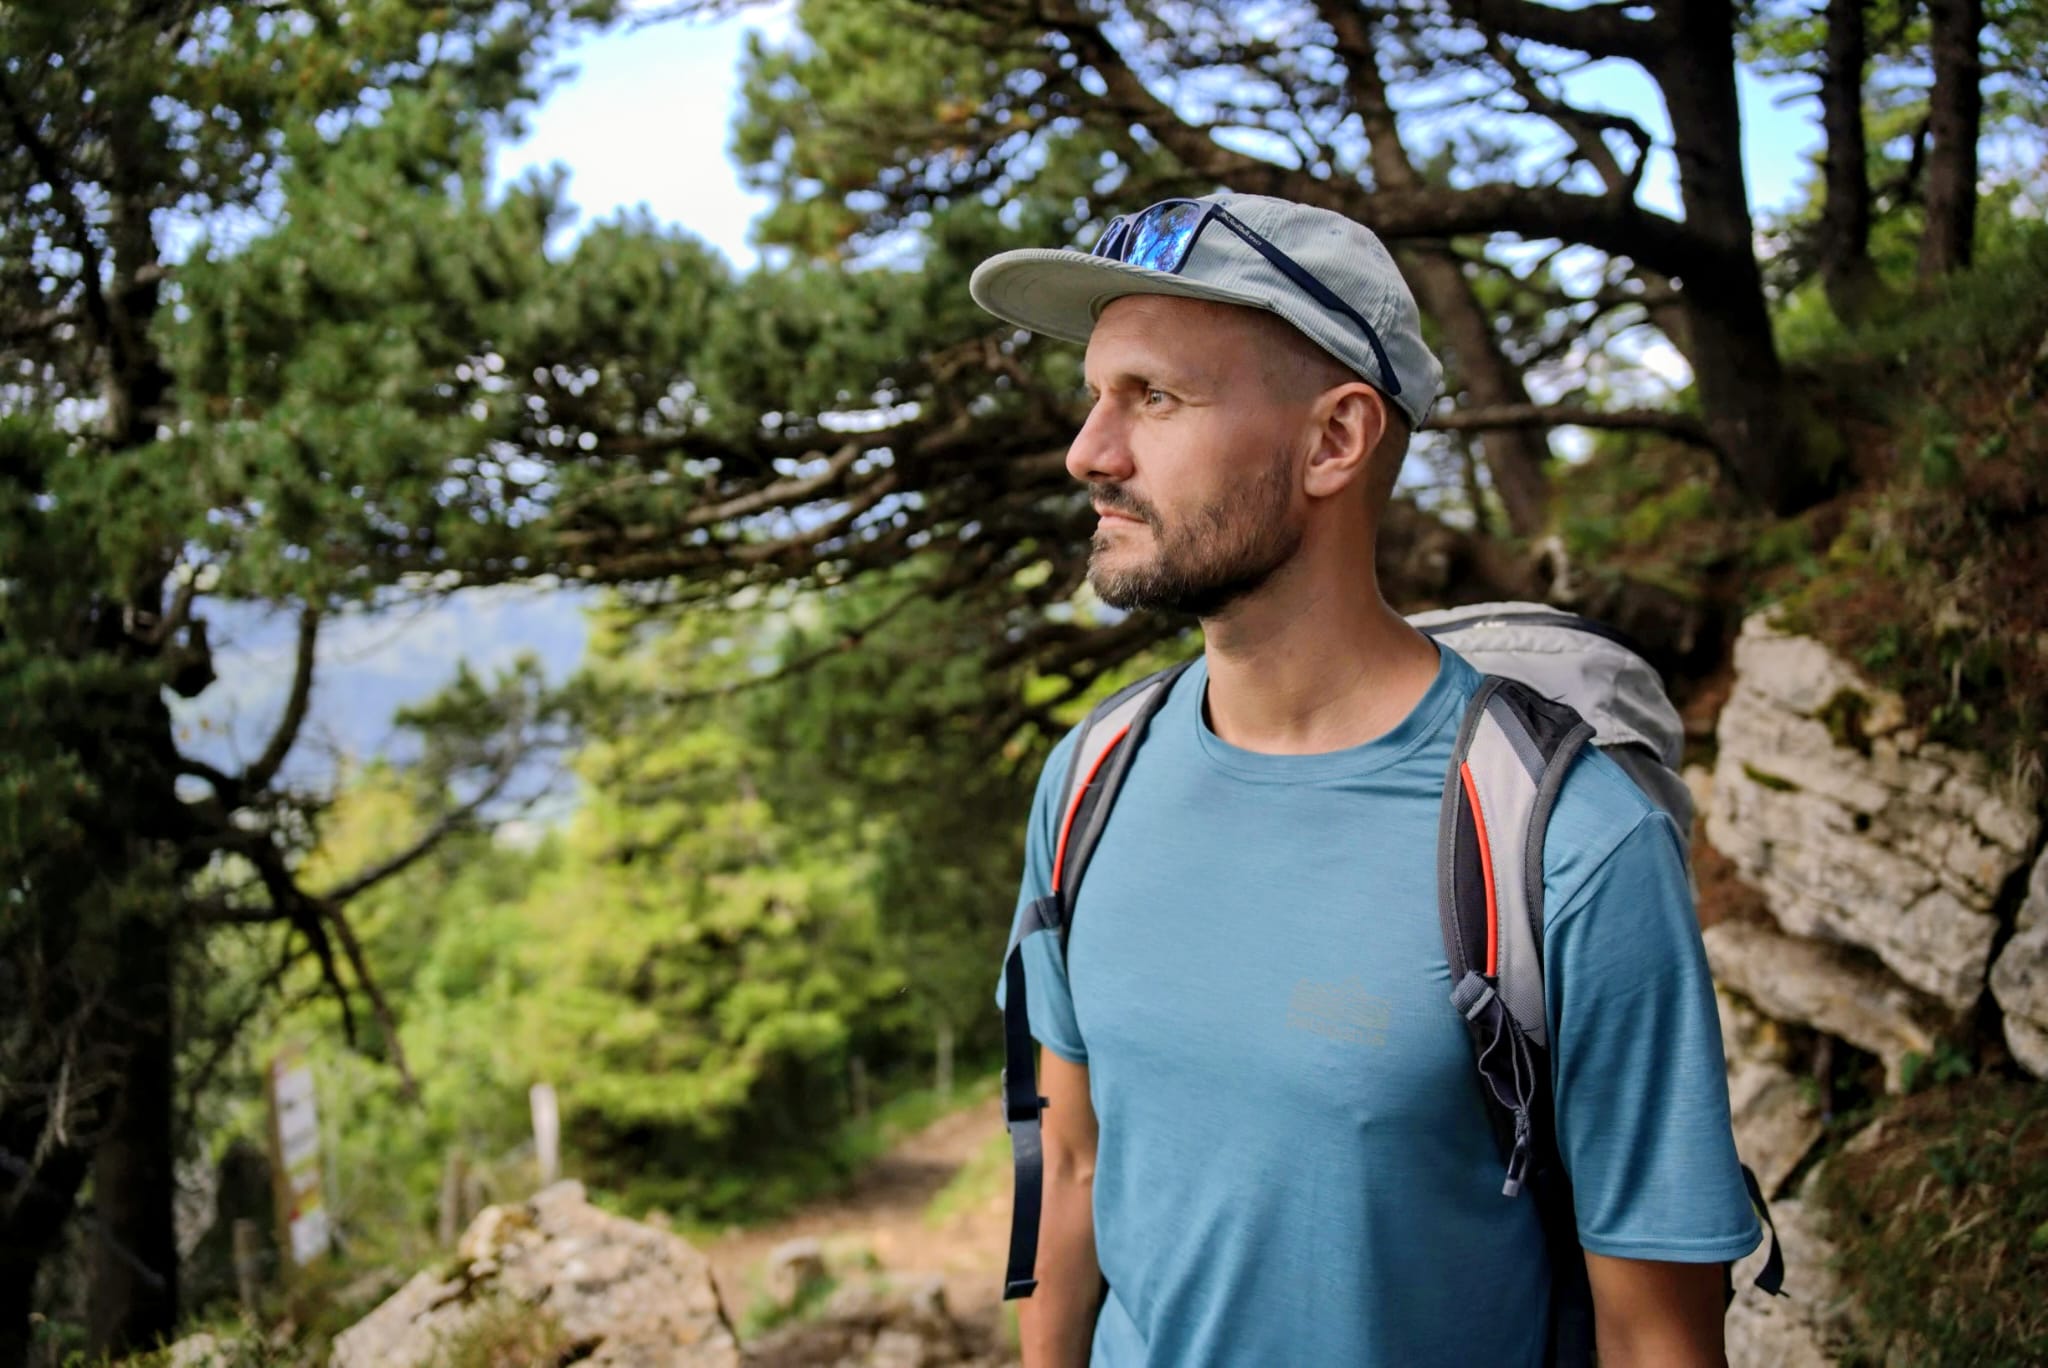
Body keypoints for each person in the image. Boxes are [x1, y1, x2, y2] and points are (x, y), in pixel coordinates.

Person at [971, 194, 1761, 1367]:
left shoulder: (1566, 848)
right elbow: (1076, 1165)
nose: (1090, 449)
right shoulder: (1087, 783)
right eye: (1095, 395)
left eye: (1156, 397)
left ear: (1333, 441)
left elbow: (1656, 1337)